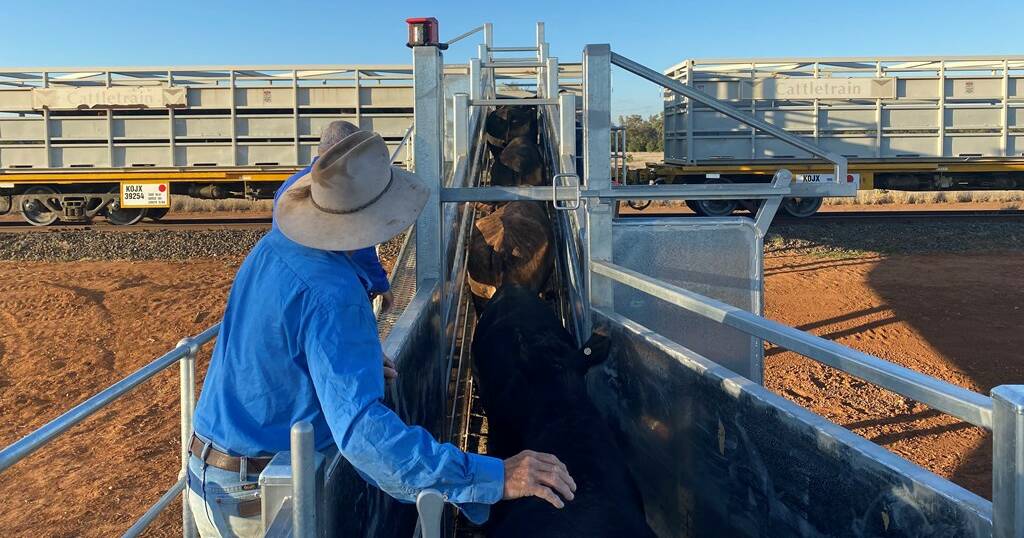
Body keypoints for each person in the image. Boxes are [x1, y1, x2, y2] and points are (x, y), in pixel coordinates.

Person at [186, 129, 576, 537]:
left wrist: (355, 362)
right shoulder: (334, 293)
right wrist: (492, 476)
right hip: (259, 499)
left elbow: (273, 349)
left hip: (212, 467)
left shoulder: (275, 246)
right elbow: (363, 435)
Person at [273, 121, 393, 311]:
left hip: (287, 287)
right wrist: (380, 284)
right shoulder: (343, 188)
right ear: (348, 153)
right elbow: (358, 243)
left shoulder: (290, 185)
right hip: (332, 294)